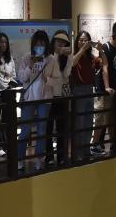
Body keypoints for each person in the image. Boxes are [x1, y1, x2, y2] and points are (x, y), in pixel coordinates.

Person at [17, 29, 59, 171]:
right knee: (25, 130)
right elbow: (21, 78)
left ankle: (39, 160)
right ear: (33, 44)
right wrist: (30, 66)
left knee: (42, 131)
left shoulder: (51, 59)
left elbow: (56, 80)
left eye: (42, 44)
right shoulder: (26, 58)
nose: (39, 47)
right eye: (37, 44)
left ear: (46, 45)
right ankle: (20, 159)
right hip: (29, 99)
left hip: (45, 100)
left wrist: (47, 80)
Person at [90, 21, 116, 156]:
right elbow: (105, 68)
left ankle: (114, 144)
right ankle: (94, 145)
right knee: (101, 117)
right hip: (104, 88)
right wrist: (107, 87)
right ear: (114, 34)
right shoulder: (105, 48)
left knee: (114, 117)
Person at [45, 30, 76, 165]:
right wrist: (57, 54)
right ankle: (49, 157)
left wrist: (69, 57)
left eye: (64, 43)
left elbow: (66, 75)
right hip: (48, 96)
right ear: (53, 42)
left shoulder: (67, 57)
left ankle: (62, 156)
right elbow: (49, 73)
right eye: (58, 42)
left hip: (62, 96)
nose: (61, 45)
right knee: (48, 127)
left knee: (62, 127)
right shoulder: (49, 56)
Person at [67, 30, 98, 161]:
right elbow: (72, 63)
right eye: (81, 40)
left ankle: (86, 148)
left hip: (90, 90)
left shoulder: (91, 57)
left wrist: (101, 50)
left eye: (86, 40)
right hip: (78, 90)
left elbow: (102, 63)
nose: (83, 42)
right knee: (79, 122)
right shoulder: (73, 54)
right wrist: (82, 50)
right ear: (77, 42)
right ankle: (78, 151)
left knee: (88, 121)